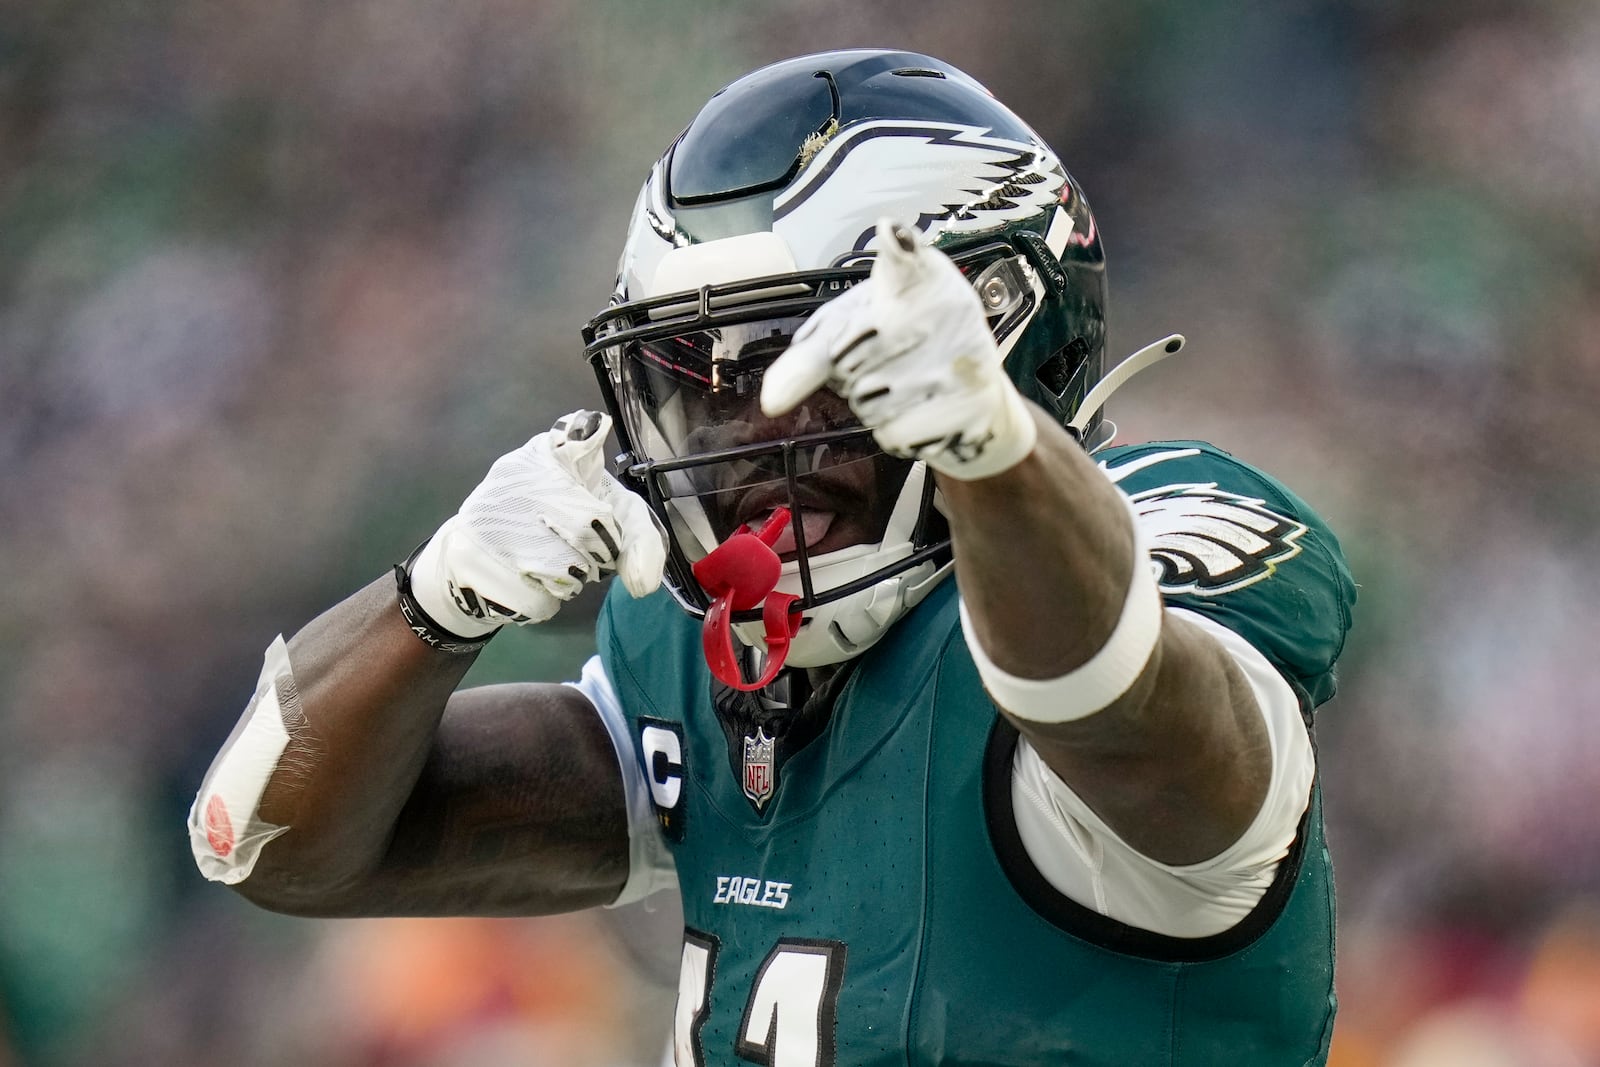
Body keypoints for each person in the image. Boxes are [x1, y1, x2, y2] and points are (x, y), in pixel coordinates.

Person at [190, 49, 1356, 1066]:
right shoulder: (707, 651)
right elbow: (269, 845)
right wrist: (432, 603)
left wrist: (998, 457)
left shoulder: (1167, 531)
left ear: (994, 326)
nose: (750, 438)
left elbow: (1113, 702)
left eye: (803, 361)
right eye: (702, 380)